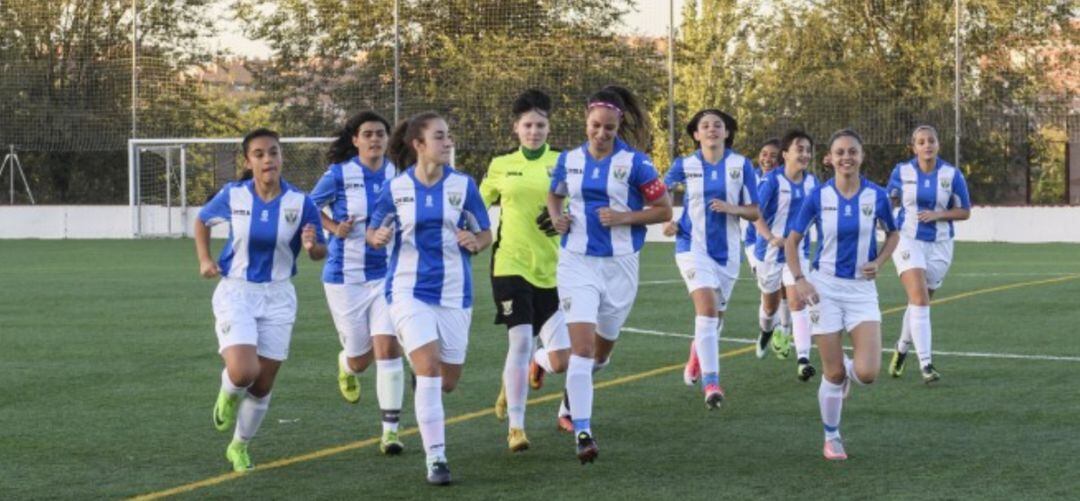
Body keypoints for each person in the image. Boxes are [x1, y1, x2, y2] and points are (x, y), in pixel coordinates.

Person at [547, 85, 672, 463]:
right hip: (577, 263)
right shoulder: (568, 160)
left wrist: (626, 217)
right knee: (581, 352)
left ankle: (547, 367)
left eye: (609, 129)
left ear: (619, 128)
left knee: (600, 356)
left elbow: (664, 210)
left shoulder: (637, 164)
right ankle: (583, 432)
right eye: (595, 126)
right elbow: (554, 194)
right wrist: (557, 217)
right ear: (585, 122)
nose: (601, 135)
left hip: (620, 267)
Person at [368, 111, 492, 485]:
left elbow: (485, 232)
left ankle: (422, 379)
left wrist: (476, 241)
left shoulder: (464, 186)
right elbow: (375, 228)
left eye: (448, 136)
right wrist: (375, 237)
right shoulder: (396, 189)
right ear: (419, 145)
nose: (448, 142)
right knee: (430, 369)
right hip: (407, 290)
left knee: (447, 381)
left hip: (455, 292)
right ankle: (436, 459)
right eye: (440, 137)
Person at [195, 128, 327, 472]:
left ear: (282, 157)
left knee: (264, 382)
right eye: (260, 154)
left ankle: (238, 446)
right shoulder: (234, 194)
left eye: (274, 152)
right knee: (244, 371)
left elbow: (320, 251)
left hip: (280, 295)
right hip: (237, 290)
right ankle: (228, 392)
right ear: (248, 160)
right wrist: (205, 260)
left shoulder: (301, 202)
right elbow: (202, 220)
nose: (268, 159)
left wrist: (313, 247)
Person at [785, 129, 899, 461]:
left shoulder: (876, 196)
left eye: (852, 151)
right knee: (831, 373)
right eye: (839, 152)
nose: (846, 157)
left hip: (862, 291)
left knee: (867, 374)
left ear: (861, 157)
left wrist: (879, 262)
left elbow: (893, 233)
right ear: (830, 158)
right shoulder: (818, 197)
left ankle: (850, 371)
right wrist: (800, 279)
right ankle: (831, 436)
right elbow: (792, 241)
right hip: (826, 288)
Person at [309, 111, 407, 454]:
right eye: (368, 134)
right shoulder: (339, 175)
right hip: (344, 277)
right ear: (355, 140)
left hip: (387, 277)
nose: (375, 139)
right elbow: (308, 206)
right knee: (361, 358)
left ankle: (390, 432)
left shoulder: (400, 175)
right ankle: (345, 364)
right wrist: (333, 228)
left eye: (380, 133)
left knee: (388, 348)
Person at [480, 89, 571, 451]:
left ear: (549, 128)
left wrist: (565, 218)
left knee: (562, 360)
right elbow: (476, 202)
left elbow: (579, 206)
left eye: (540, 125)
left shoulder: (564, 163)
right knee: (519, 340)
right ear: (516, 129)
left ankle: (532, 365)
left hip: (554, 270)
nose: (534, 131)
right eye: (527, 125)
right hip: (510, 266)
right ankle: (516, 428)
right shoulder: (501, 165)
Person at [662, 109, 759, 408]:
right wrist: (669, 218)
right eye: (705, 126)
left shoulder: (741, 165)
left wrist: (733, 209)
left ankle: (696, 355)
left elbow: (754, 211)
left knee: (715, 319)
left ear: (727, 132)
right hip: (691, 246)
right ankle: (712, 383)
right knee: (705, 309)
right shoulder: (685, 164)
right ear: (696, 134)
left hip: (728, 252)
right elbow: (659, 191)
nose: (712, 129)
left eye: (718, 125)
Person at [886, 125, 971, 383]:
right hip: (907, 239)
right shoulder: (901, 171)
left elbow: (965, 211)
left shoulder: (951, 174)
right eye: (921, 142)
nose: (927, 145)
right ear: (914, 147)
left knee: (918, 302)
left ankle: (901, 348)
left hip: (940, 245)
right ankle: (926, 365)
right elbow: (888, 200)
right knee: (920, 299)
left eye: (931, 140)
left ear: (938, 145)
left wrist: (939, 214)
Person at [754, 129, 820, 381]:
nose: (804, 154)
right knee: (769, 307)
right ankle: (765, 331)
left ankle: (803, 359)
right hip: (768, 253)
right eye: (799, 149)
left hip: (798, 252)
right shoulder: (772, 181)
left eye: (807, 150)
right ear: (785, 154)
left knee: (797, 302)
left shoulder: (814, 183)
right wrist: (770, 237)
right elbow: (755, 213)